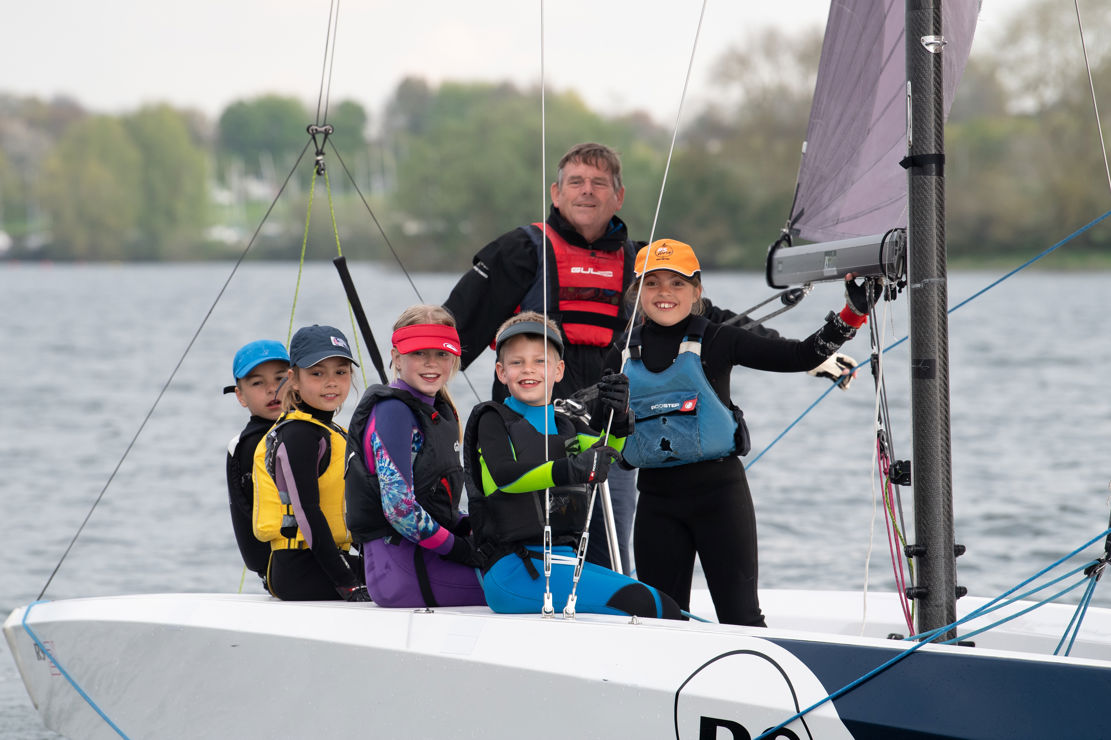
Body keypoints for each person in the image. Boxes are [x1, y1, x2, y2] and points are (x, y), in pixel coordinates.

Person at [443, 141, 856, 574]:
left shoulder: (640, 267)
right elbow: (455, 330)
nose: (587, 191)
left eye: (599, 183)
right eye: (576, 182)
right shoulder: (518, 252)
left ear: (618, 196)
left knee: (609, 554)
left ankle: (610, 614)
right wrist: (420, 396)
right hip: (527, 437)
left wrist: (809, 357)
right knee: (526, 543)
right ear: (556, 193)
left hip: (609, 436)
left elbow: (712, 319)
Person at [603, 239, 880, 626]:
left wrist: (852, 314)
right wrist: (610, 417)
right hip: (656, 504)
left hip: (720, 498)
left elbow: (800, 355)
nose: (664, 293)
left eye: (677, 283)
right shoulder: (618, 353)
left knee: (741, 619)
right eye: (652, 283)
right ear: (636, 292)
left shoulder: (718, 339)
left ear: (697, 291)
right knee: (659, 623)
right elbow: (607, 435)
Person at [463, 312, 683, 620]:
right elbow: (505, 477)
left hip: (564, 562)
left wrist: (617, 417)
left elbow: (605, 453)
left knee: (668, 605)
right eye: (517, 362)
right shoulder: (493, 420)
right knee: (649, 605)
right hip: (515, 570)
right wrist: (572, 468)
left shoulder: (567, 425)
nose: (528, 370)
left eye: (540, 361)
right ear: (501, 372)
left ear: (558, 370)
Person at [345, 305, 487, 607]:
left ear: (455, 359)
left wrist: (474, 527)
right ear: (396, 357)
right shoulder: (393, 411)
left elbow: (437, 502)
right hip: (400, 570)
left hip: (427, 556)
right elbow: (400, 509)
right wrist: (461, 550)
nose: (431, 364)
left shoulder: (441, 409)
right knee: (526, 586)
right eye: (419, 353)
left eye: (442, 354)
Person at [252, 324, 370, 602]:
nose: (331, 382)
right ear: (293, 378)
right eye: (317, 373)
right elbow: (307, 512)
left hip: (327, 561)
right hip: (298, 570)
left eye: (340, 372)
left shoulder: (330, 430)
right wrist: (348, 583)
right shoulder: (299, 434)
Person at [224, 339, 290, 589]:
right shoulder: (249, 446)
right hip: (285, 567)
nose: (272, 390)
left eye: (279, 378)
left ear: (295, 380)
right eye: (257, 383)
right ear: (240, 395)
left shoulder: (305, 431)